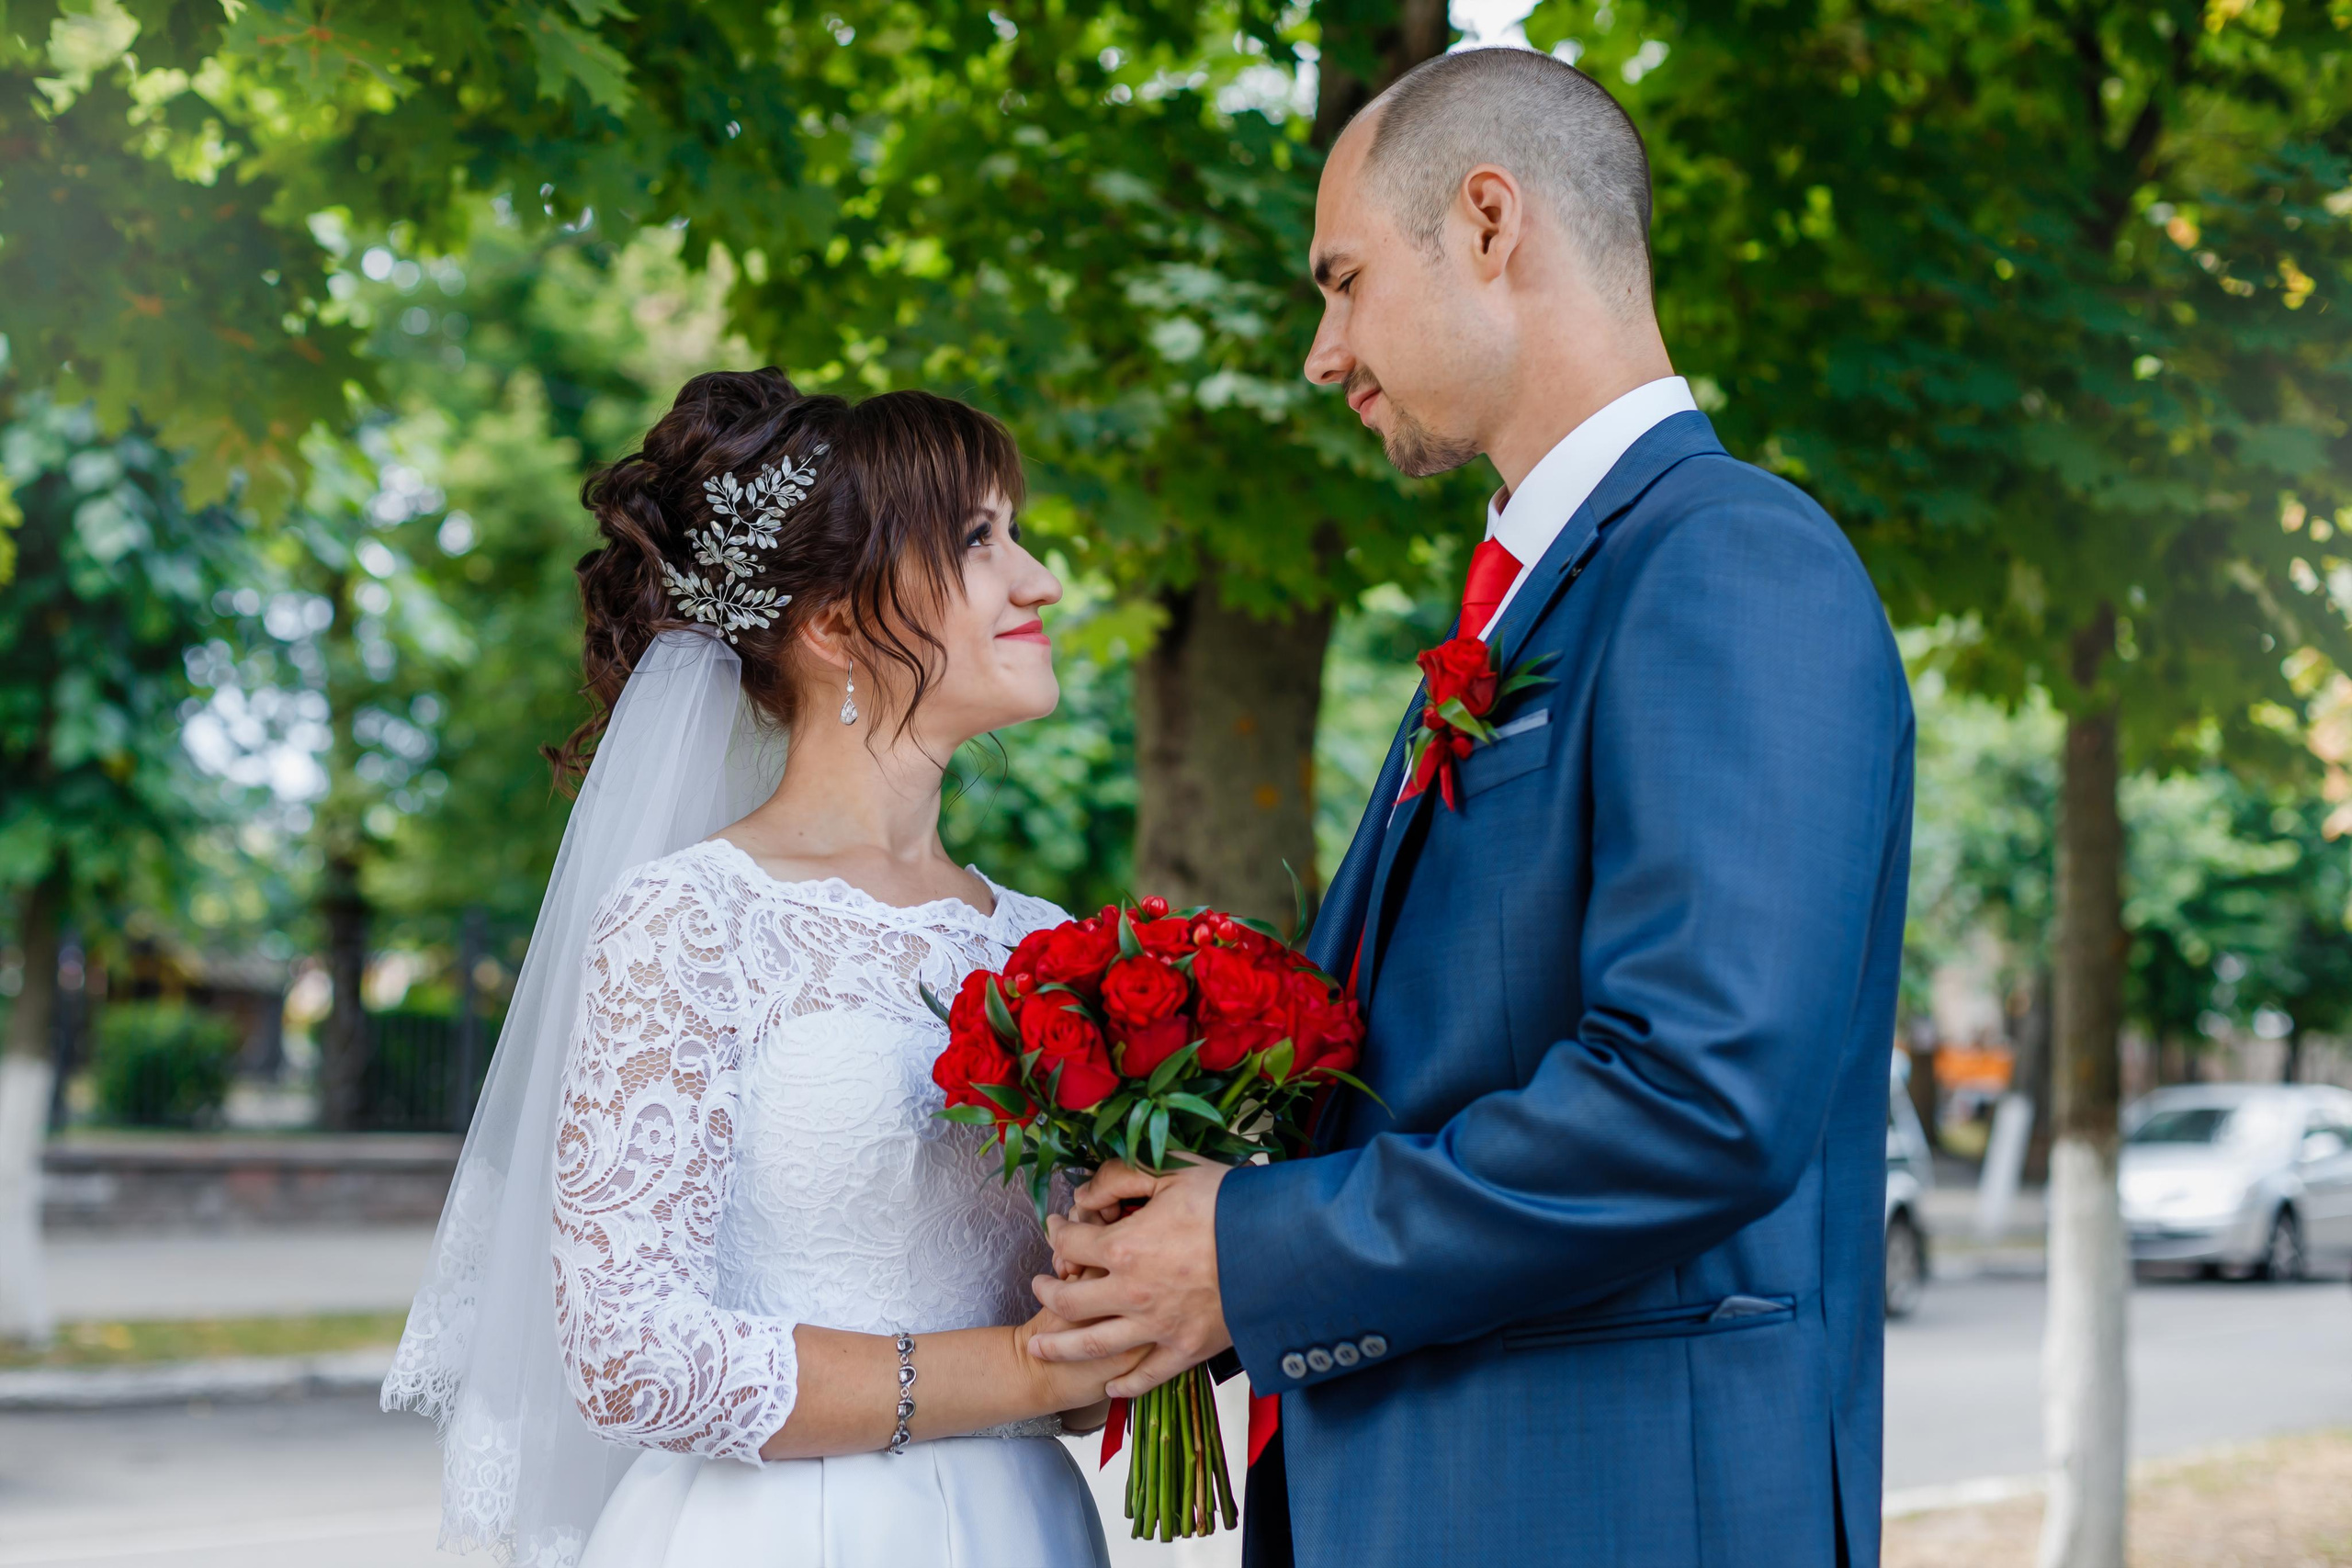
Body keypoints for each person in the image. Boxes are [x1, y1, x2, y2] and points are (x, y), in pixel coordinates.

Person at [1033, 48, 1915, 1568]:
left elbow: (1697, 1096)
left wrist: (1253, 1253)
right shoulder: (1528, 608)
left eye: (1345, 281)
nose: (1325, 351)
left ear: (1491, 223)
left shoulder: (1726, 563)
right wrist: (1194, 1240)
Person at [383, 369, 1141, 1568]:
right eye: (980, 538)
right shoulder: (691, 921)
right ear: (835, 627)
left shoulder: (1040, 944)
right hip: (786, 1532)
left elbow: (1083, 1320)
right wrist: (1018, 1369)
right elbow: (633, 1359)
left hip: (1026, 1528)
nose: (1038, 578)